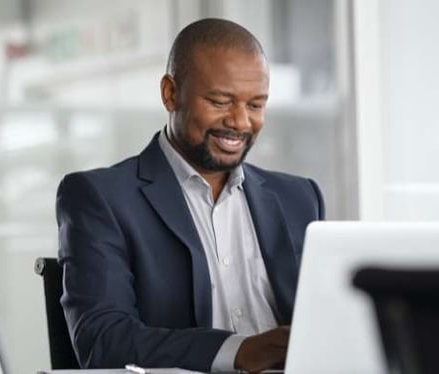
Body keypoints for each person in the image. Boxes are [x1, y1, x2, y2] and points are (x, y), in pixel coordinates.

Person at [56, 18, 324, 373]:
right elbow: (104, 341)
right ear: (170, 93)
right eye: (220, 101)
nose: (241, 122)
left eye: (256, 105)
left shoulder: (299, 197)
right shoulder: (100, 198)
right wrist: (240, 351)